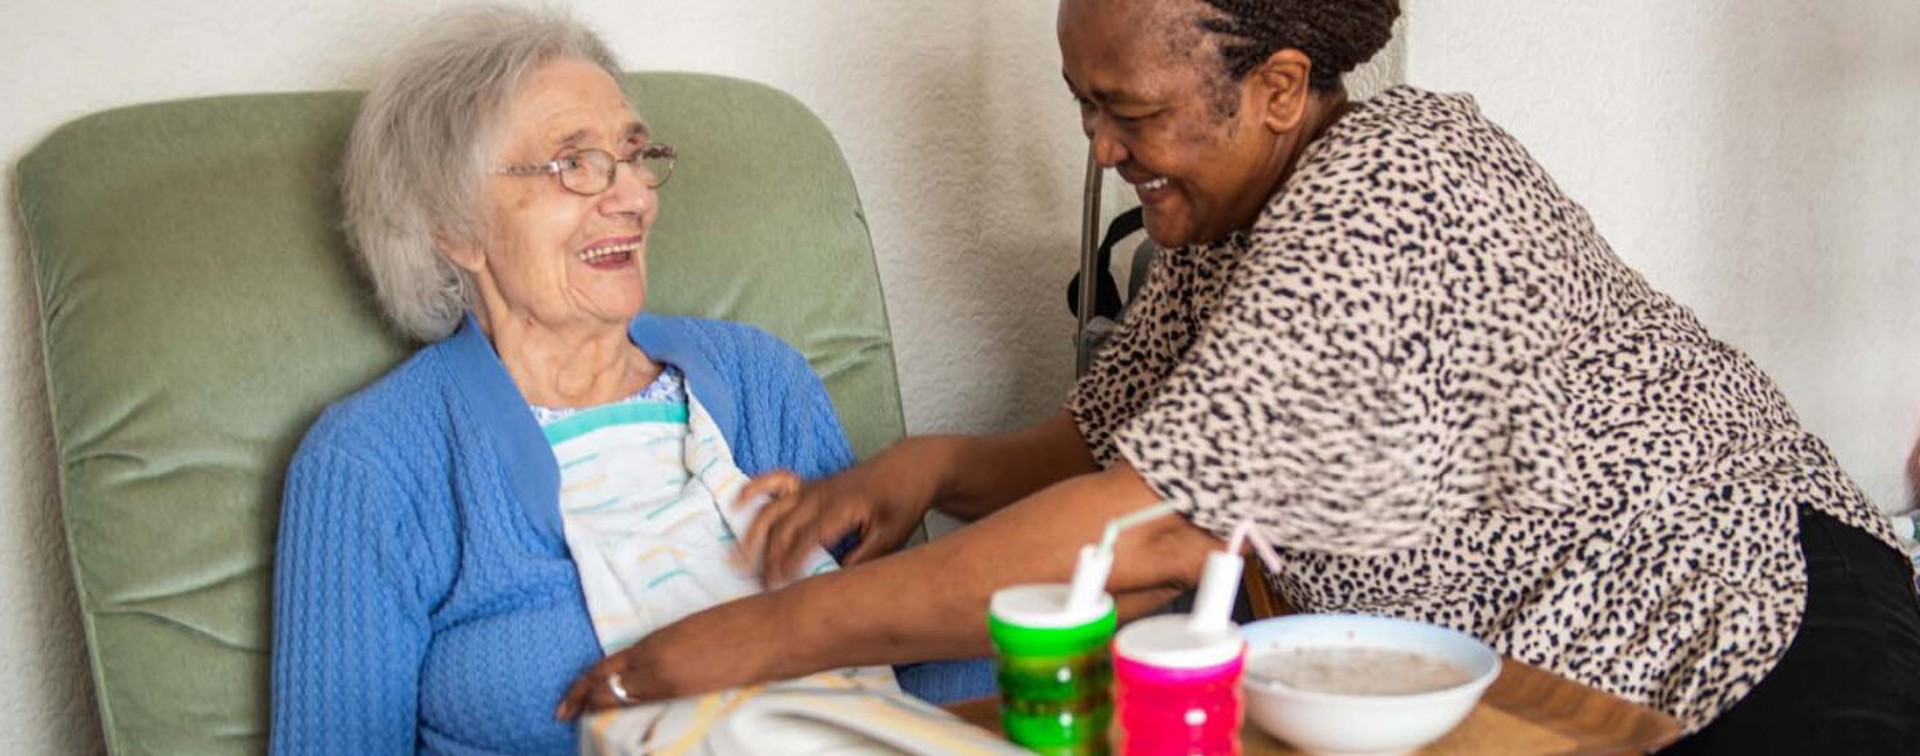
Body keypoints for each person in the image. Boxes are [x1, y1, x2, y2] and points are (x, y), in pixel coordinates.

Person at [557, 0, 1920, 752]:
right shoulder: (1218, 235)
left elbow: (1142, 527)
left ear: (1274, 85)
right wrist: (934, 467)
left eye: (1131, 111)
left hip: (1750, 624)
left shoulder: (1400, 184)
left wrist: (742, 643)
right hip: (1522, 684)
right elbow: (1106, 448)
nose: (1100, 148)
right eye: (1083, 105)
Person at [269, 8, 984, 755]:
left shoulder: (760, 380)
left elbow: (904, 643)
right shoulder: (373, 462)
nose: (635, 196)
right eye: (574, 163)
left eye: (635, 155)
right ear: (454, 227)